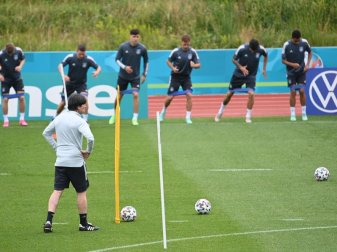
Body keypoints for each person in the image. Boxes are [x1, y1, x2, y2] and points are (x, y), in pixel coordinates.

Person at [42, 93, 99, 233]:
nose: (86, 106)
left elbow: (46, 133)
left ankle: (48, 221)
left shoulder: (59, 118)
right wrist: (88, 152)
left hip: (60, 161)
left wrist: (57, 147)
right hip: (76, 162)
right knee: (81, 191)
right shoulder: (80, 121)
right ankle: (83, 224)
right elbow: (91, 138)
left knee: (57, 191)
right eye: (84, 104)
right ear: (78, 106)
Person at [215, 39, 268, 123]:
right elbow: (233, 59)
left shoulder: (261, 49)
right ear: (249, 47)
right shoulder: (242, 48)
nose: (254, 52)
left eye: (255, 50)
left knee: (251, 93)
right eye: (252, 50)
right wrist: (241, 67)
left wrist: (264, 69)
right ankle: (220, 112)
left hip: (251, 76)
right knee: (229, 94)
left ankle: (248, 116)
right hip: (238, 74)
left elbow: (266, 55)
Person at [109, 28, 149, 126]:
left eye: (137, 36)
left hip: (135, 77)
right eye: (133, 36)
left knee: (135, 94)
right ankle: (114, 115)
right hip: (123, 76)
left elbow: (146, 61)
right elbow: (117, 59)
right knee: (119, 96)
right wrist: (125, 67)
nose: (135, 38)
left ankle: (135, 118)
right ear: (130, 36)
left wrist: (144, 74)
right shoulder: (123, 46)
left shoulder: (142, 48)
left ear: (139, 37)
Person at [159, 34, 201, 124]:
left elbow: (199, 65)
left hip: (186, 78)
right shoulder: (176, 51)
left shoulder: (193, 52)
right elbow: (168, 61)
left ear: (189, 43)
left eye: (187, 44)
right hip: (175, 77)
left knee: (189, 95)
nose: (186, 46)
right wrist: (173, 68)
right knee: (170, 97)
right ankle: (163, 111)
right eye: (184, 44)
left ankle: (188, 117)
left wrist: (194, 65)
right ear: (181, 43)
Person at [56, 44, 101, 122]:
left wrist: (97, 72)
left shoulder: (88, 59)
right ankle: (55, 116)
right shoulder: (70, 57)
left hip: (81, 85)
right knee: (63, 103)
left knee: (85, 100)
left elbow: (98, 67)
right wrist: (63, 75)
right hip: (69, 84)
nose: (81, 56)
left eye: (83, 54)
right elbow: (60, 66)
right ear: (76, 51)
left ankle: (85, 120)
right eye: (79, 54)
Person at [282, 30, 312, 121]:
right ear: (292, 38)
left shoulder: (304, 42)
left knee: (302, 91)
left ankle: (304, 113)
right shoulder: (286, 45)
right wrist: (292, 64)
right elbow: (283, 60)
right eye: (296, 41)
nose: (297, 42)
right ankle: (293, 113)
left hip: (301, 71)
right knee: (293, 92)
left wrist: (307, 65)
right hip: (291, 72)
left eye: (299, 40)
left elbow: (310, 52)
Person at [0, 43, 27, 127]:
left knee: (22, 97)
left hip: (17, 78)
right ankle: (6, 120)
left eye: (12, 53)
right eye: (10, 54)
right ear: (7, 51)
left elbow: (23, 59)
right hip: (5, 79)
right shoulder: (1, 54)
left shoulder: (18, 51)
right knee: (5, 99)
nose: (11, 54)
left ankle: (22, 119)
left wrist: (20, 66)